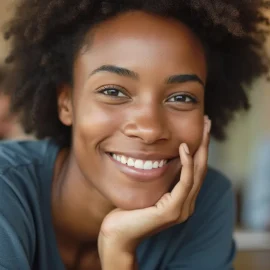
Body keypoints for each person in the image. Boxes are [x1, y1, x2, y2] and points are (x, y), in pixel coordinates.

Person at [0, 1, 269, 269]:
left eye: (181, 97)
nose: (150, 130)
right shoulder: (6, 188)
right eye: (113, 92)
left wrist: (118, 250)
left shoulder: (207, 203)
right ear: (66, 103)